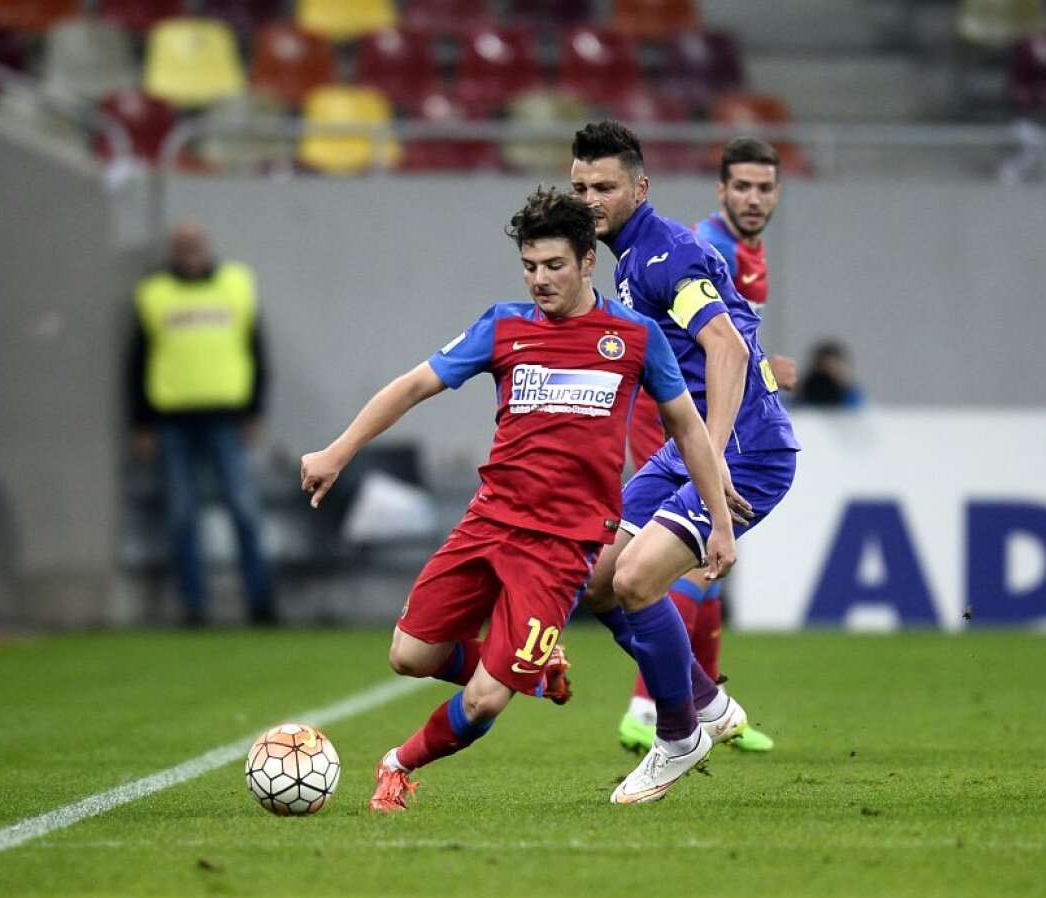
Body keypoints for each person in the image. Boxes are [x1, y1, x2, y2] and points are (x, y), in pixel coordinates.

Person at [298, 188, 737, 811]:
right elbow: (415, 385)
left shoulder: (634, 337)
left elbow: (689, 429)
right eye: (530, 266)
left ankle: (398, 765)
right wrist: (338, 451)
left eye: (554, 265)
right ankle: (534, 666)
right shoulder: (503, 326)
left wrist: (719, 521)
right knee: (409, 655)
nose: (540, 280)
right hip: (488, 523)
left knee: (483, 700)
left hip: (560, 549)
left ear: (588, 261)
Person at [569, 120, 800, 802]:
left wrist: (715, 454)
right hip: (689, 447)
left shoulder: (664, 253)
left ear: (639, 188)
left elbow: (726, 346)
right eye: (580, 187)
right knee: (597, 579)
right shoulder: (628, 257)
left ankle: (676, 736)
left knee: (638, 579)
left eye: (605, 187)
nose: (590, 201)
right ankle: (704, 700)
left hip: (746, 452)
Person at [617, 136, 786, 755]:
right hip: (676, 423)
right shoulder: (703, 245)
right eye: (742, 186)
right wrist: (709, 450)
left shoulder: (750, 253)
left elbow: (729, 343)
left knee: (701, 569)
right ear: (721, 191)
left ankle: (708, 705)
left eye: (764, 187)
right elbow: (719, 346)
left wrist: (766, 369)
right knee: (669, 563)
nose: (753, 198)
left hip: (712, 420)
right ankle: (649, 706)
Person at [127, 220, 276, 627]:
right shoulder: (154, 294)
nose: (189, 254)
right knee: (181, 515)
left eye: (195, 245)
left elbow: (256, 350)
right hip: (171, 421)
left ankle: (261, 603)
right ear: (173, 252)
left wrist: (254, 411)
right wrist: (141, 424)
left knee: (244, 510)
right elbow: (138, 361)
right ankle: (194, 607)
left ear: (206, 248)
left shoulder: (235, 285)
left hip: (227, 418)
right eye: (182, 246)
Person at [792, 339, 866, 409]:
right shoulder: (803, 394)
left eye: (832, 371)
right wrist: (799, 394)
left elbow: (858, 411)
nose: (825, 380)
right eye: (821, 371)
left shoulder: (852, 397)